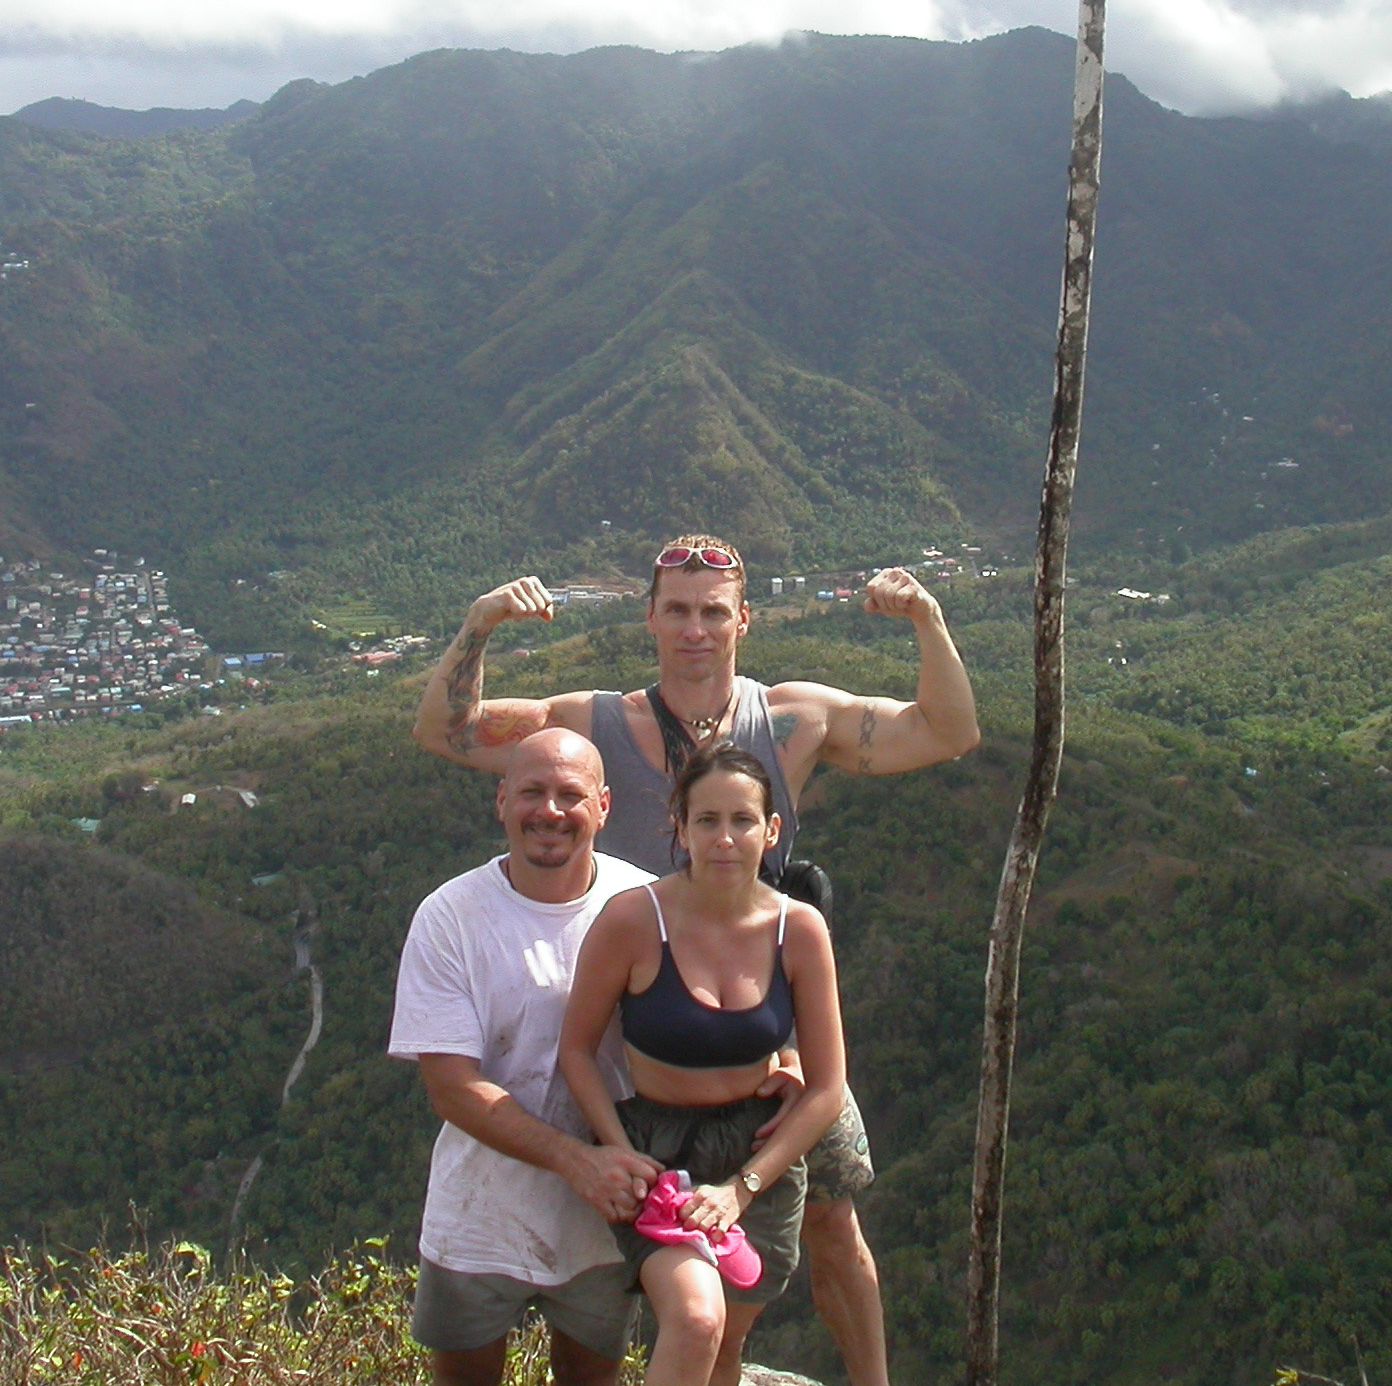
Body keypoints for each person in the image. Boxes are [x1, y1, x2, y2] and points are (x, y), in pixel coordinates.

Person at [415, 534, 980, 1386]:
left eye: (713, 611)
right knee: (663, 1258)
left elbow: (947, 730)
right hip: (640, 1031)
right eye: (677, 609)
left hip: (764, 1022)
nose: (695, 629)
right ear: (650, 617)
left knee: (832, 1218)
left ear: (743, 620)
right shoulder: (591, 723)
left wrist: (927, 621)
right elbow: (445, 730)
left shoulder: (791, 720)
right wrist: (480, 627)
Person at [560, 743, 847, 1386]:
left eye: (742, 820)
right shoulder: (634, 920)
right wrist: (616, 1148)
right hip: (658, 1159)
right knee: (696, 1317)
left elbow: (827, 1087)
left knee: (725, 1348)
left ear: (771, 831)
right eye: (707, 820)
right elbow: (575, 1050)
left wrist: (745, 1186)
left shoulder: (797, 930)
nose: (724, 839)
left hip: (758, 1157)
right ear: (680, 827)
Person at [388, 728, 664, 1386]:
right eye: (532, 792)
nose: (550, 811)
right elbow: (453, 1089)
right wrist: (578, 1162)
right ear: (502, 801)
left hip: (606, 1219)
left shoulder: (649, 907)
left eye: (570, 795)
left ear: (603, 806)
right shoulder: (450, 916)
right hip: (479, 1214)